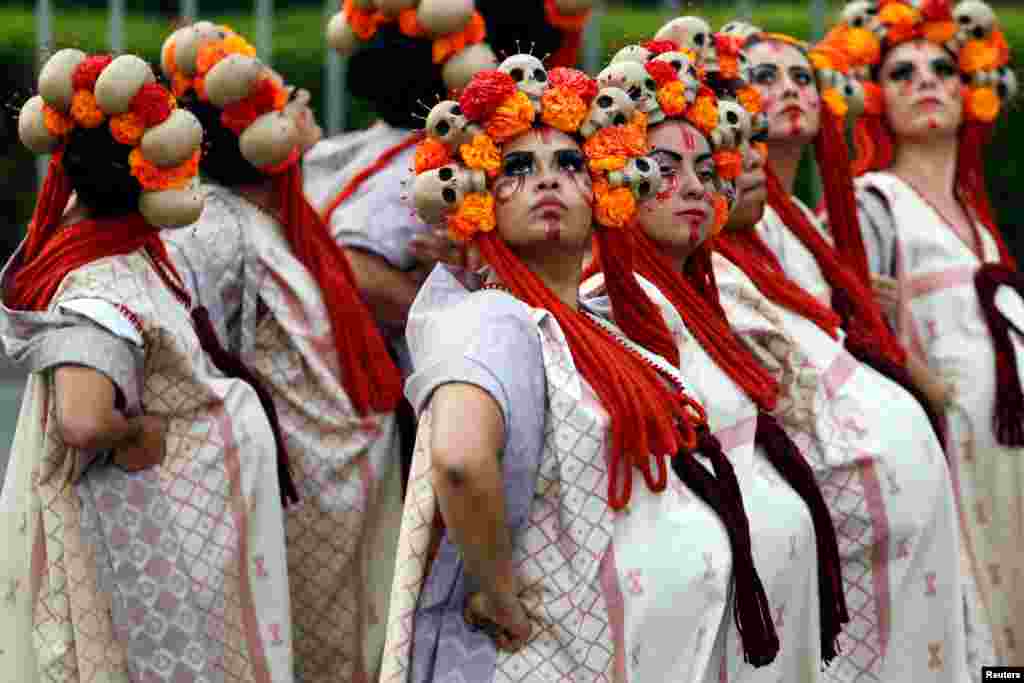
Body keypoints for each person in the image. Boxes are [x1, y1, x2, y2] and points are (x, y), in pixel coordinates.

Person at [380, 60, 803, 682]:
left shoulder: (597, 321)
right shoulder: (492, 318)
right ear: (477, 199)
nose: (547, 181)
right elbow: (460, 461)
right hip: (537, 658)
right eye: (518, 169)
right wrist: (501, 597)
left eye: (570, 164)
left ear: (604, 191)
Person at [650, 18, 969, 681]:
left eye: (803, 75)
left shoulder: (793, 229)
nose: (739, 164)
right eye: (763, 79)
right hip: (772, 570)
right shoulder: (666, 282)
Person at [0, 50, 295, 681]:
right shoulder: (101, 283)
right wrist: (137, 434)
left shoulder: (122, 259)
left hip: (163, 538)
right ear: (152, 174)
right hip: (134, 543)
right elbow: (83, 419)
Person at [582, 37, 851, 680]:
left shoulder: (705, 302)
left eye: (706, 171)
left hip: (757, 615)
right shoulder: (607, 311)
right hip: (692, 631)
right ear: (616, 180)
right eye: (663, 169)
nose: (693, 187)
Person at [158, 23, 404, 682]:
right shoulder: (214, 230)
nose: (302, 101)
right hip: (297, 485)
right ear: (261, 139)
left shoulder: (280, 219)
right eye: (286, 99)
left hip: (341, 473)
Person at [305, 0, 594, 482]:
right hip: (381, 415)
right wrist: (455, 313)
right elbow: (355, 270)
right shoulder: (430, 164)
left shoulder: (359, 144)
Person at [831, 0, 1023, 667]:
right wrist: (931, 386)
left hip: (1007, 458)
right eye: (903, 73)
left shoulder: (977, 211)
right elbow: (856, 328)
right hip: (947, 452)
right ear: (880, 99)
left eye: (941, 68)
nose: (925, 82)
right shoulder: (869, 201)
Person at [731, 26, 948, 427]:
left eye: (802, 78)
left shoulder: (801, 217)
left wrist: (852, 300)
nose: (790, 89)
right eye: (765, 77)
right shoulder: (739, 218)